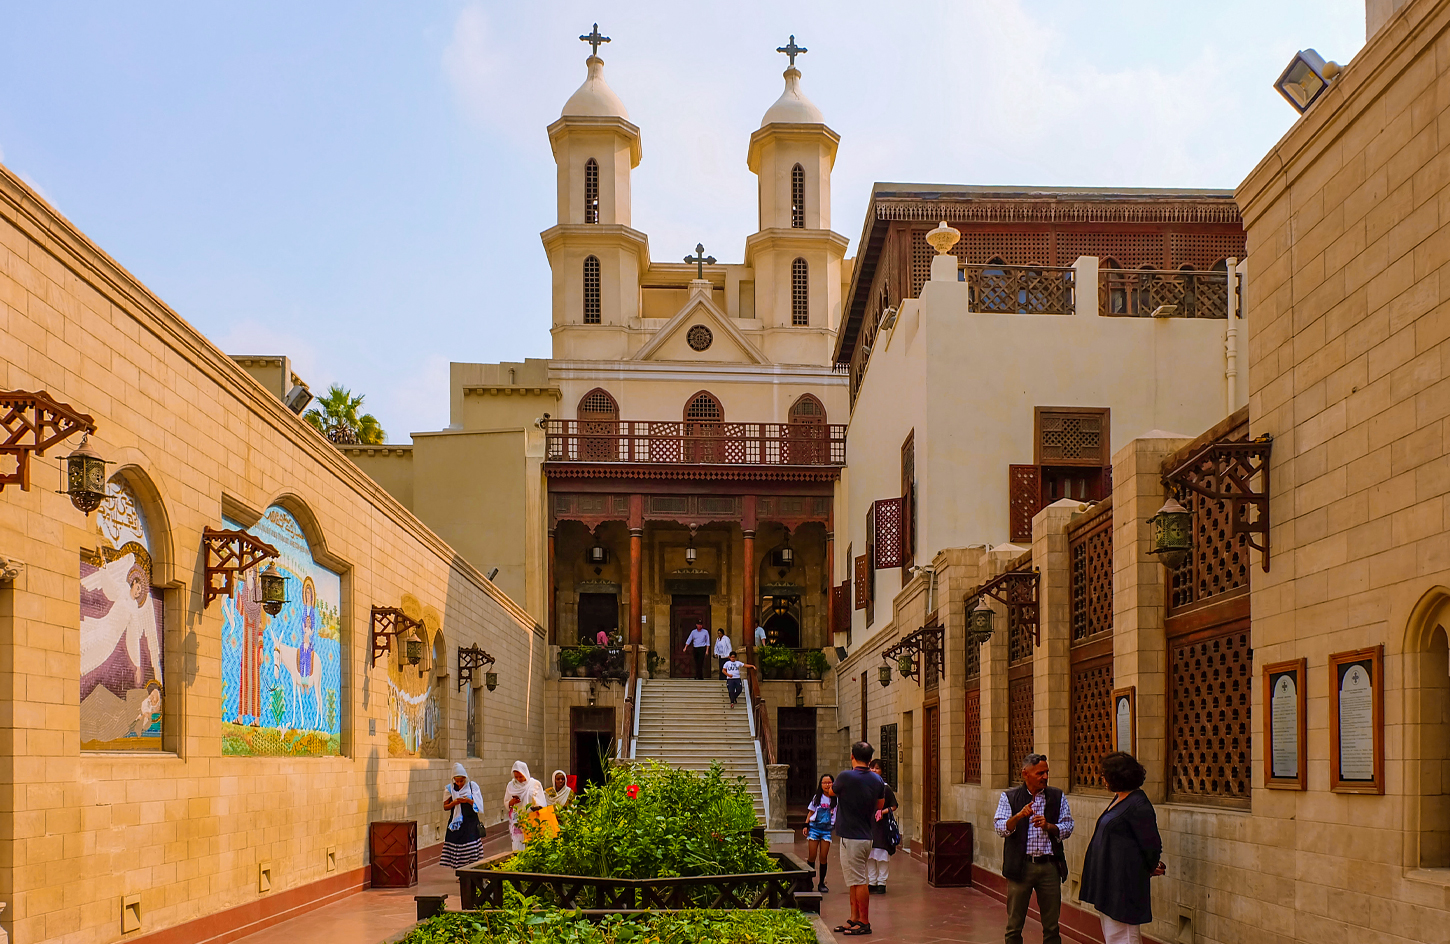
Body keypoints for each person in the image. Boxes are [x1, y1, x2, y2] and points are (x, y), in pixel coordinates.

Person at [1079, 752, 1165, 944]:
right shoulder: (1119, 799)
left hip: (1124, 885)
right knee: (1113, 935)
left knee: (1124, 937)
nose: (1102, 779)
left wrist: (1151, 866)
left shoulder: (1138, 804)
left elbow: (1151, 843)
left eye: (1104, 774)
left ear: (1117, 775)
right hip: (1109, 882)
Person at [995, 753, 1074, 944]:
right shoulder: (1010, 797)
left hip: (1049, 866)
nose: (1045, 777)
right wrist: (1019, 816)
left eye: (1047, 772)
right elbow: (1000, 828)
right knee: (1014, 924)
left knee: (1052, 925)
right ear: (1025, 774)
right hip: (1021, 867)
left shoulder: (1057, 796)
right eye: (1040, 773)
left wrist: (1049, 826)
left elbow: (1068, 826)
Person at [832, 742, 885, 937]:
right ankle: (853, 918)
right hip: (864, 834)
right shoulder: (877, 780)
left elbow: (832, 791)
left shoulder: (846, 776)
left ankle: (864, 921)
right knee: (853, 880)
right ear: (870, 759)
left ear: (852, 756)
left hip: (852, 836)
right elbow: (880, 804)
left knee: (860, 880)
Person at [440, 762, 485, 869]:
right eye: (457, 781)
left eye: (462, 781)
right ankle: (462, 873)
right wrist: (454, 803)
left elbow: (478, 804)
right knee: (458, 848)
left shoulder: (472, 786)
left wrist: (468, 801)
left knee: (471, 846)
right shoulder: (449, 789)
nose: (459, 783)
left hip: (470, 821)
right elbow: (446, 807)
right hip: (457, 822)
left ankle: (473, 869)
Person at [866, 759, 900, 894]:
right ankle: (872, 882)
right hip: (868, 825)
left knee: (882, 854)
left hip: (882, 826)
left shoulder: (885, 788)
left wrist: (882, 811)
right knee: (870, 855)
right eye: (872, 768)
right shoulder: (865, 787)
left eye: (877, 768)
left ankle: (882, 882)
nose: (874, 771)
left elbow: (894, 806)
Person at [503, 760, 547, 851]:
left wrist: (535, 806)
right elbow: (506, 802)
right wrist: (511, 802)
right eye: (516, 777)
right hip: (517, 820)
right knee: (518, 844)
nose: (519, 779)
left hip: (532, 819)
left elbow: (542, 802)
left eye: (521, 776)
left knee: (532, 845)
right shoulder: (511, 786)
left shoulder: (535, 784)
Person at [803, 774, 836, 892]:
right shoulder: (817, 798)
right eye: (824, 783)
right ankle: (809, 880)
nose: (827, 785)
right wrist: (806, 825)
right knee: (812, 855)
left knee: (823, 856)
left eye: (829, 782)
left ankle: (821, 883)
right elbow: (811, 812)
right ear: (821, 785)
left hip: (827, 830)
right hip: (814, 828)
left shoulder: (836, 799)